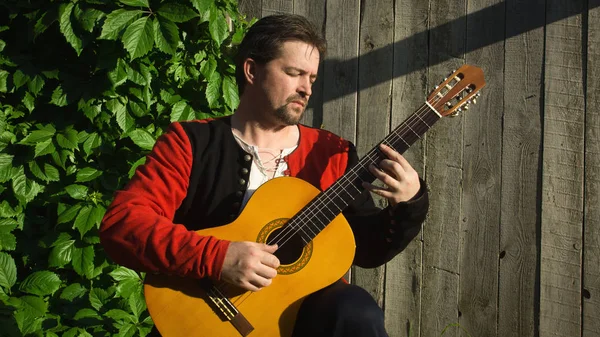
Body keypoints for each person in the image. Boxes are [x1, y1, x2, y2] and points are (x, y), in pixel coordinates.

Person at [100, 14, 429, 337]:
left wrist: (409, 204)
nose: (306, 89)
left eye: (311, 78)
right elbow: (124, 224)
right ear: (252, 70)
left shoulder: (334, 153)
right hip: (200, 317)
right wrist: (216, 257)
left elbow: (367, 249)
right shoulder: (191, 143)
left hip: (304, 316)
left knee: (357, 311)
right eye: (294, 73)